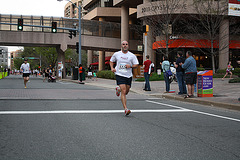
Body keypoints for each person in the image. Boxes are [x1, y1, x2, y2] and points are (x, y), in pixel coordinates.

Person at [110, 40, 139, 116]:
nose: (125, 45)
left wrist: (131, 66)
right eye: (123, 44)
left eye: (126, 44)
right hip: (119, 74)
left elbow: (136, 64)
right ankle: (126, 109)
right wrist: (112, 68)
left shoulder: (132, 55)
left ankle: (118, 89)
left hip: (128, 75)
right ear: (121, 46)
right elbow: (111, 61)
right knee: (124, 90)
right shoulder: (117, 54)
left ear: (128, 46)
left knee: (126, 91)